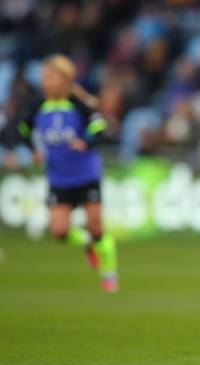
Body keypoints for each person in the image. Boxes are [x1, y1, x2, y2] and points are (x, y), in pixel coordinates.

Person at [2, 54, 119, 292]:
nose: (45, 82)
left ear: (65, 79)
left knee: (96, 226)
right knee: (59, 231)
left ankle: (108, 273)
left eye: (50, 77)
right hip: (58, 175)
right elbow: (20, 128)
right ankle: (88, 244)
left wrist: (85, 141)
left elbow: (99, 126)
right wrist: (32, 149)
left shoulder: (77, 102)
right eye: (44, 77)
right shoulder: (37, 104)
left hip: (86, 173)